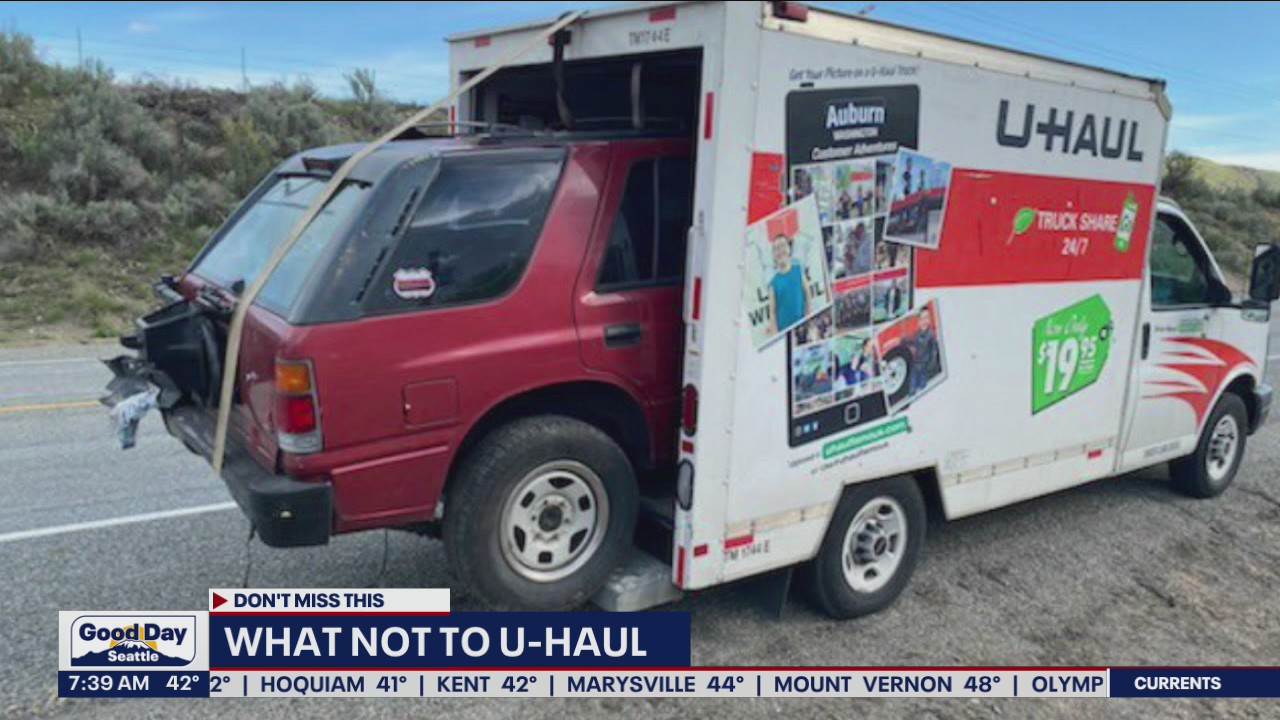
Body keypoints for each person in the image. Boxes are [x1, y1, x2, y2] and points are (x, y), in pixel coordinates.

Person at [768, 234, 811, 335]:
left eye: (783, 245)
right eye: (776, 248)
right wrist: (776, 335)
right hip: (785, 332)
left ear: (789, 249)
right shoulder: (773, 283)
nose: (780, 250)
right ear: (774, 255)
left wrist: (808, 319)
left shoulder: (798, 271)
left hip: (802, 328)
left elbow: (808, 294)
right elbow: (772, 312)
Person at [910, 305, 941, 395]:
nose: (924, 321)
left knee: (923, 376)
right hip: (915, 361)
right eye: (921, 319)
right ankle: (912, 390)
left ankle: (922, 387)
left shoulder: (931, 334)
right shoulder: (917, 333)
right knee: (913, 376)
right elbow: (913, 342)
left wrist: (932, 362)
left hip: (924, 361)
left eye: (927, 318)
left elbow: (933, 350)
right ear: (918, 321)